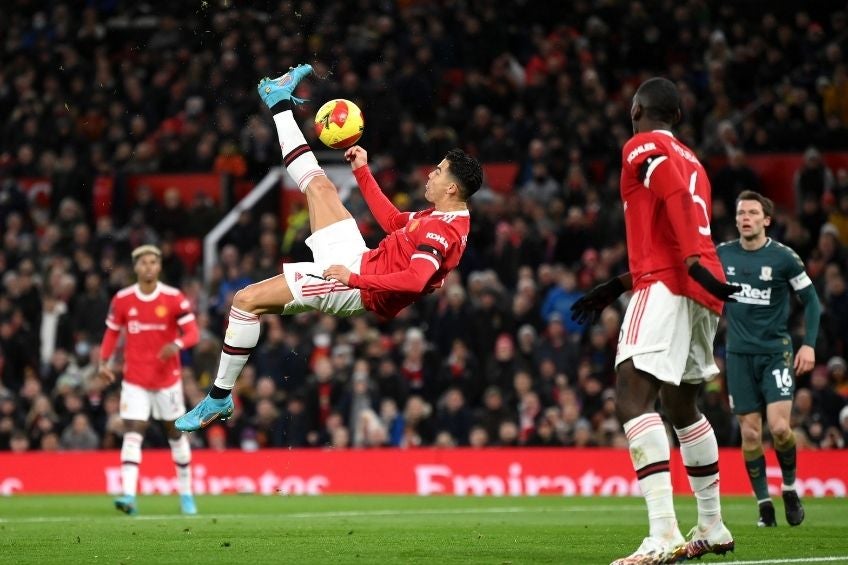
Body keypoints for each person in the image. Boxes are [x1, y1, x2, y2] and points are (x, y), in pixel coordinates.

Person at [176, 65, 481, 432]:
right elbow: (393, 223)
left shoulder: (442, 233)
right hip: (361, 259)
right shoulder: (440, 217)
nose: (430, 174)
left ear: (452, 189)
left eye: (438, 172)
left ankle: (219, 396)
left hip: (353, 285)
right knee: (320, 186)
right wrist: (363, 172)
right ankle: (277, 100)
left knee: (244, 301)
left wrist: (352, 279)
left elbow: (416, 281)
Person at [570, 77, 736, 565]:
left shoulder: (643, 145)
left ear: (637, 108)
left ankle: (662, 533)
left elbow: (671, 198)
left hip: (673, 281)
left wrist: (689, 258)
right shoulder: (697, 163)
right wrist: (615, 284)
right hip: (701, 286)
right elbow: (670, 223)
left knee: (631, 392)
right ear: (680, 118)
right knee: (684, 406)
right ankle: (712, 524)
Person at [717, 190, 821, 527]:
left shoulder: (784, 258)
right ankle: (764, 504)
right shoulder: (722, 255)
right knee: (749, 435)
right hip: (737, 355)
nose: (744, 218)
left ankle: (789, 488)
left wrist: (809, 345)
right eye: (740, 213)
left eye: (751, 212)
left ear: (766, 220)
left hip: (776, 353)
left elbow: (813, 302)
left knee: (778, 428)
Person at [98, 244, 200, 516]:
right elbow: (111, 334)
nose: (148, 266)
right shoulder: (122, 299)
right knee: (132, 434)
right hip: (135, 380)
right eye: (143, 262)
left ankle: (187, 496)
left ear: (159, 266)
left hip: (168, 381)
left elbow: (193, 333)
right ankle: (129, 496)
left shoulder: (174, 297)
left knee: (176, 436)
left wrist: (177, 344)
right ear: (135, 266)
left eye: (153, 262)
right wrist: (103, 362)